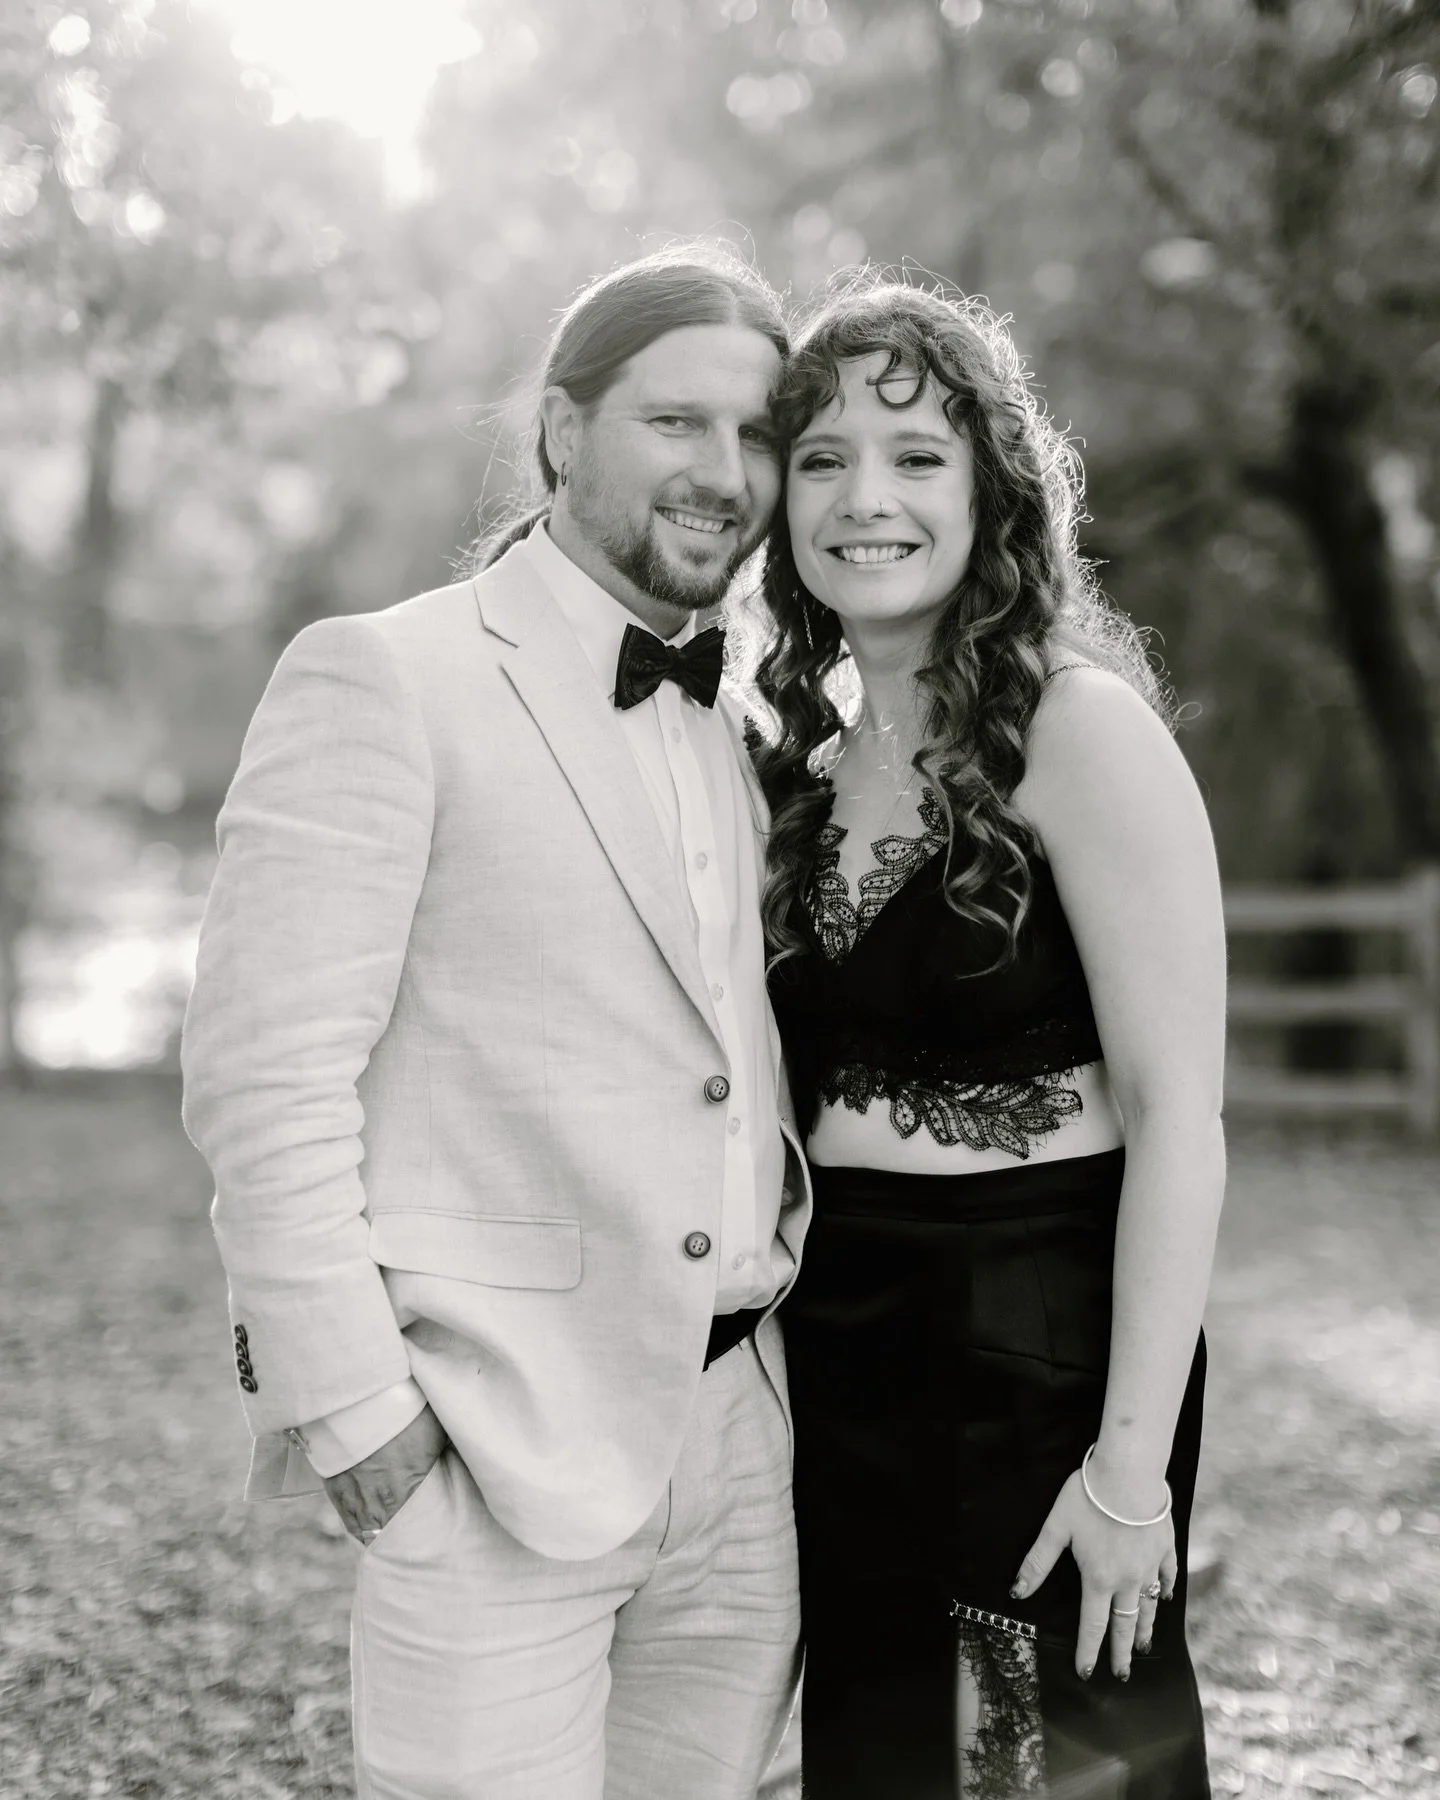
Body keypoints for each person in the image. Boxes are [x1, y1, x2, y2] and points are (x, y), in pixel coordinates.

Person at [181, 247, 812, 1800]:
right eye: (676, 423)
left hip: (747, 1445)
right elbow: (265, 1079)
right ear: (559, 430)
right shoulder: (387, 678)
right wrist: (357, 1417)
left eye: (756, 437)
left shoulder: (750, 728)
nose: (724, 475)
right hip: (489, 1449)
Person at [744, 276, 1226, 1799]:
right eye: (821, 459)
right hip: (838, 1341)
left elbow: (1179, 1116)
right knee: (888, 1754)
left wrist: (1132, 1470)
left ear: (990, 492)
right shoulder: (804, 765)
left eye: (915, 456)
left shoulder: (1081, 733)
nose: (863, 498)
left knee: (1033, 1756)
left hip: (1038, 1344)